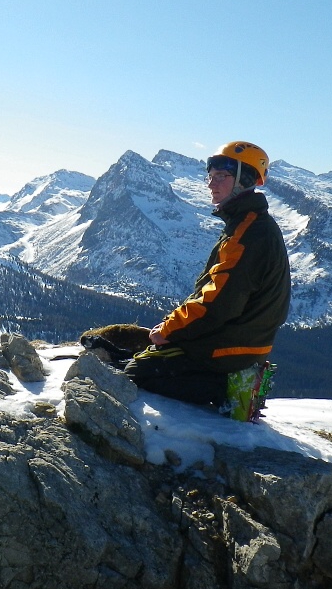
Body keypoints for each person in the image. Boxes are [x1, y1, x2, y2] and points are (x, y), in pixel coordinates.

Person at [122, 141, 291, 416]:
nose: (212, 184)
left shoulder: (248, 234)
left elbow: (217, 303)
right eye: (210, 177)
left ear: (243, 180)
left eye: (221, 177)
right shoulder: (248, 224)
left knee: (139, 371)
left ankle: (229, 388)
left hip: (233, 346)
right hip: (245, 339)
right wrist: (171, 327)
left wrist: (169, 330)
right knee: (149, 352)